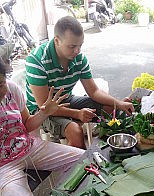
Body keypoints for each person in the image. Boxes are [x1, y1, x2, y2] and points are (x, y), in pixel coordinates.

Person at [25, 16, 134, 149]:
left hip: (66, 99)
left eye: (80, 45)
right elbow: (45, 106)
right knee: (75, 132)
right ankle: (80, 168)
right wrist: (77, 114)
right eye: (72, 46)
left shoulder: (79, 58)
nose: (77, 51)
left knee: (110, 108)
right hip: (41, 111)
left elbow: (94, 91)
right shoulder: (36, 61)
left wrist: (120, 103)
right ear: (57, 41)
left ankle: (109, 149)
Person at [0, 58, 85, 196]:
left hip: (29, 148)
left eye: (0, 84)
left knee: (84, 160)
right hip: (3, 168)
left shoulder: (12, 89)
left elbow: (26, 124)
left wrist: (44, 113)